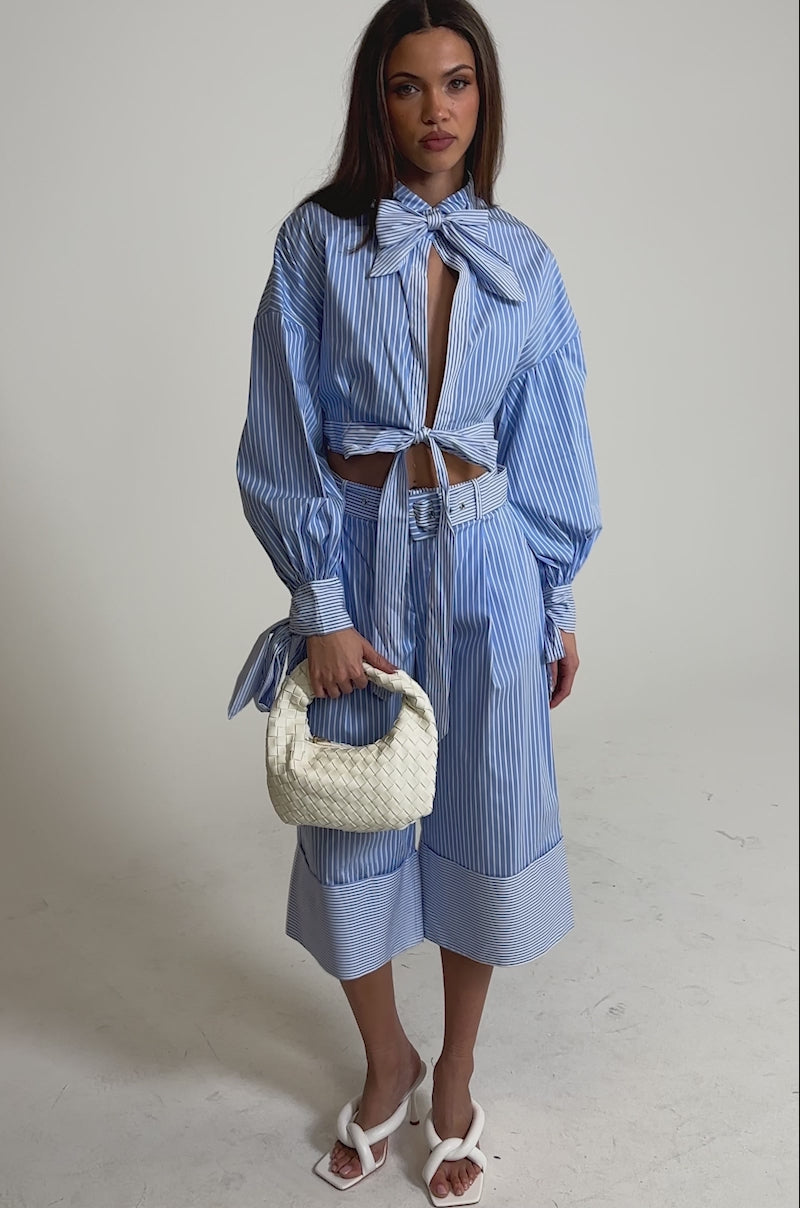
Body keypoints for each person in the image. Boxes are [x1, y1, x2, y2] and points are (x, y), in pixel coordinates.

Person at [228, 0, 602, 1201]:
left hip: (489, 563)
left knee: (481, 815)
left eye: (456, 82)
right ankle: (385, 1056)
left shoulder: (524, 260)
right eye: (407, 85)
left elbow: (550, 438)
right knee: (352, 818)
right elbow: (281, 425)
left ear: (482, 98)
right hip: (361, 560)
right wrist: (319, 605)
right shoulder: (315, 242)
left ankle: (458, 1075)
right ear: (374, 102)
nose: (435, 109)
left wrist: (551, 601)